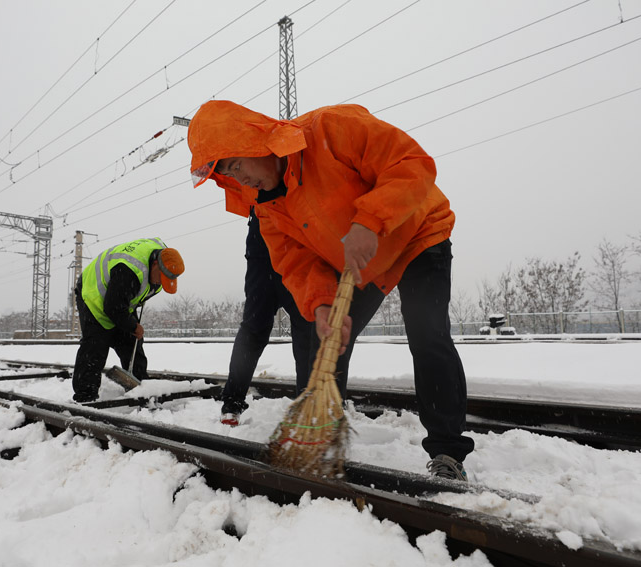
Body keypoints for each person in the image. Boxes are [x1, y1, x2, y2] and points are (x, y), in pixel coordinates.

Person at [187, 101, 474, 481]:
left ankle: (447, 453)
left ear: (256, 143)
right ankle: (321, 438)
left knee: (427, 333)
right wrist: (320, 303)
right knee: (325, 341)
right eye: (229, 176)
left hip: (417, 232)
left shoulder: (331, 130)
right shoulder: (269, 209)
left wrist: (369, 221)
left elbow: (410, 164)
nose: (241, 180)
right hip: (362, 259)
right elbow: (297, 263)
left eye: (236, 165)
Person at [218, 206, 314, 426]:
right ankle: (232, 403)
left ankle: (308, 407)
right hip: (269, 237)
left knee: (307, 328)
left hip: (298, 237)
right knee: (255, 328)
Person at [72, 238, 184, 403]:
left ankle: (140, 385)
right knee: (96, 344)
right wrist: (133, 325)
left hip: (118, 298)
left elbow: (124, 302)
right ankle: (85, 397)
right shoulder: (130, 271)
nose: (161, 283)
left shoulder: (165, 258)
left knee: (131, 340)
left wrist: (132, 328)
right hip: (93, 294)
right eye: (161, 278)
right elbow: (113, 308)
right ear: (154, 265)